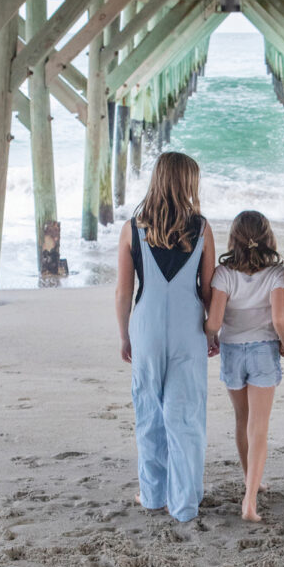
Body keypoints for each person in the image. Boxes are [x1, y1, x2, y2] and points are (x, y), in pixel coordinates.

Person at [115, 151, 216, 523]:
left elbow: (123, 292)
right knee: (185, 416)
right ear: (188, 183)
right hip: (188, 328)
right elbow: (208, 291)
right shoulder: (202, 228)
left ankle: (154, 494)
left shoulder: (133, 227)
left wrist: (124, 335)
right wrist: (212, 330)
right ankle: (185, 503)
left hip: (147, 326)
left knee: (149, 412)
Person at [204, 211, 284, 523]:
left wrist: (210, 338)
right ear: (268, 238)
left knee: (242, 420)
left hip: (232, 351)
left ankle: (249, 479)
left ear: (234, 239)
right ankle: (250, 499)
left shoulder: (223, 273)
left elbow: (214, 321)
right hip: (262, 351)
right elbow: (281, 319)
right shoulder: (275, 274)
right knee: (259, 426)